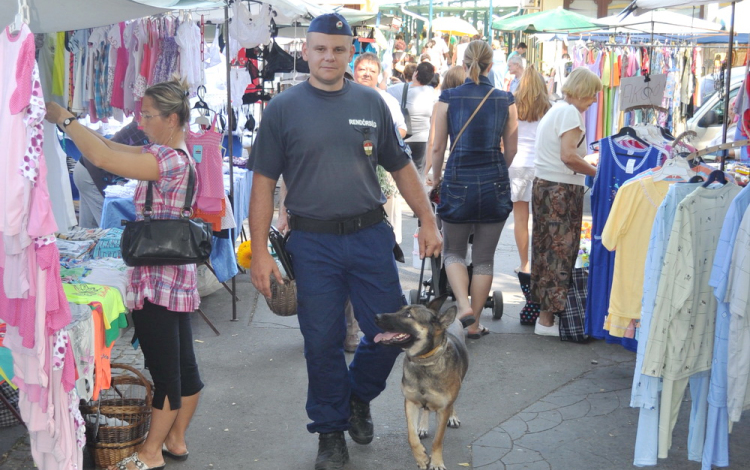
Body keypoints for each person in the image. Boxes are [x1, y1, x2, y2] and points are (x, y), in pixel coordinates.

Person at [248, 13, 442, 470]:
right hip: (312, 244)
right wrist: (259, 251)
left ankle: (356, 397)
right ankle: (330, 432)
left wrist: (428, 221)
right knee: (322, 340)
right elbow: (262, 183)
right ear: (306, 51)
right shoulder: (282, 109)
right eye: (320, 49)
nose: (328, 57)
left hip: (370, 236)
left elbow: (401, 166)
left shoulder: (371, 102)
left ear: (350, 51)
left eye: (338, 49)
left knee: (390, 334)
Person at [45, 80, 204, 470]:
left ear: (171, 118)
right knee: (183, 367)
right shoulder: (172, 151)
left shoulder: (168, 161)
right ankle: (176, 441)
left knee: (167, 373)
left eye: (148, 115)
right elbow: (111, 148)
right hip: (173, 274)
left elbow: (102, 159)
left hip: (157, 278)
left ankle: (150, 455)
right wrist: (77, 124)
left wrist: (64, 120)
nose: (140, 121)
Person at [430, 40, 518, 339]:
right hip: (494, 181)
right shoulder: (506, 99)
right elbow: (512, 149)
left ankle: (463, 306)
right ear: (490, 65)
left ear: (463, 64)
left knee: (453, 251)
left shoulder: (448, 98)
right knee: (484, 259)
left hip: (457, 180)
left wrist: (436, 177)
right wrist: (496, 168)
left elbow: (437, 146)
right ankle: (475, 323)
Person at [531, 67, 601, 337]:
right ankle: (546, 321)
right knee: (559, 253)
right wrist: (597, 172)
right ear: (582, 91)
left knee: (546, 251)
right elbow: (568, 156)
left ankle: (544, 316)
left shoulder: (558, 109)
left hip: (548, 187)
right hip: (559, 190)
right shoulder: (571, 113)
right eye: (593, 94)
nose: (595, 100)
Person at [510, 66, 551, 275]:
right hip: (541, 165)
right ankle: (540, 264)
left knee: (520, 219)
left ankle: (524, 263)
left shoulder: (513, 103)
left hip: (517, 164)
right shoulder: (548, 107)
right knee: (541, 218)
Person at [72, 121, 148, 228]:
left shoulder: (150, 124)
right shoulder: (152, 130)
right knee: (109, 234)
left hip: (88, 170)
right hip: (94, 174)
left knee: (90, 233)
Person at [387, 62, 438, 179]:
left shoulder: (399, 89)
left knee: (400, 173)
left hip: (403, 137)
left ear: (416, 73)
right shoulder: (432, 93)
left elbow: (382, 92)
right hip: (422, 140)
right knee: (418, 174)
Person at [425, 65, 467, 186]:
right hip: (462, 163)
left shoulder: (440, 105)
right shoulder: (472, 105)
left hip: (441, 161)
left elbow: (433, 142)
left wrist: (429, 169)